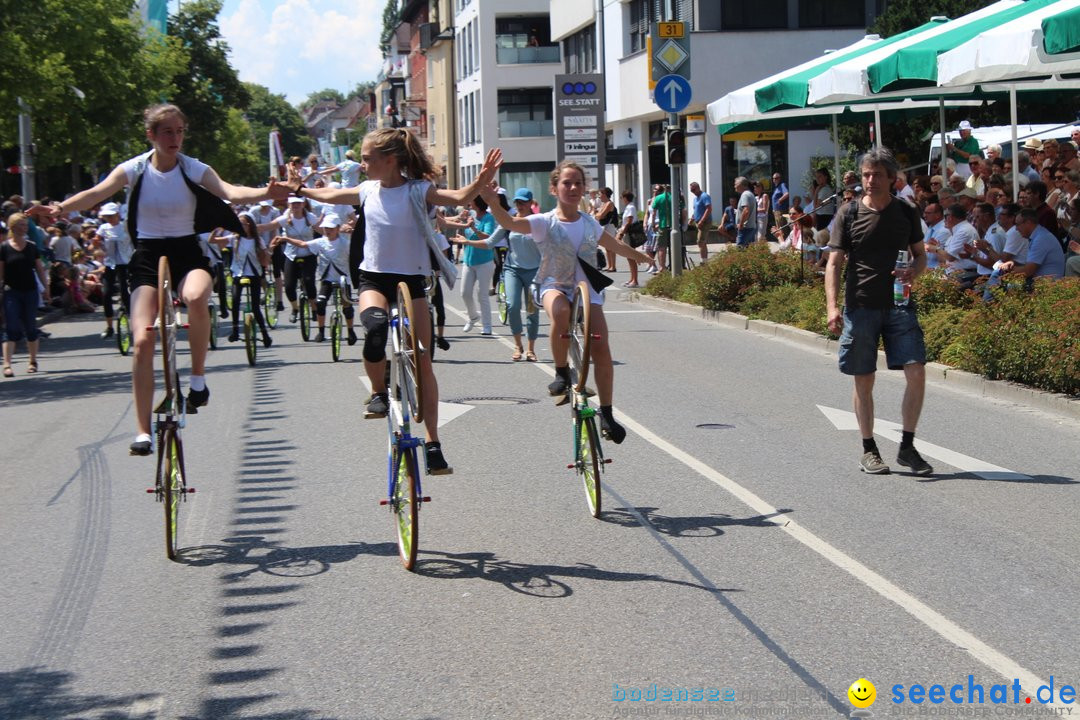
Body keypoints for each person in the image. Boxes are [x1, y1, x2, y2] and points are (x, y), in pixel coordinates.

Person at [31, 103, 279, 455]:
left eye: (179, 131)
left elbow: (230, 191)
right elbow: (97, 194)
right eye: (167, 132)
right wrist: (60, 208)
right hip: (147, 257)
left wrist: (265, 193)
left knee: (195, 298)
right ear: (151, 135)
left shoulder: (193, 168)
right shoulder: (133, 169)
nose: (175, 138)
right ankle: (143, 431)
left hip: (187, 254)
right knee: (142, 341)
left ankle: (197, 380)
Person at [290, 128, 503, 474]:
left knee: (423, 359)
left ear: (390, 160)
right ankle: (377, 392)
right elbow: (330, 194)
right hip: (374, 278)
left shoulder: (418, 191)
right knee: (374, 332)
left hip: (412, 281)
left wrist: (481, 179)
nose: (361, 164)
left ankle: (434, 444)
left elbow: (460, 198)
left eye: (366, 158)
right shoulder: (366, 190)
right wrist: (300, 188)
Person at [478, 159, 652, 444]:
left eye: (578, 184)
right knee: (559, 311)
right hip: (553, 284)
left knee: (602, 346)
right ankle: (561, 372)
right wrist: (493, 203)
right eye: (566, 183)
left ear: (584, 189)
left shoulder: (588, 223)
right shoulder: (544, 222)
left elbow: (614, 245)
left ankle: (607, 413)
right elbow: (509, 223)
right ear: (555, 188)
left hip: (586, 288)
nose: (573, 188)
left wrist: (639, 255)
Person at [825, 147, 934, 477]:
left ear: (892, 179)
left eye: (876, 175)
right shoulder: (849, 213)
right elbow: (834, 262)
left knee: (916, 372)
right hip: (861, 305)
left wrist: (914, 272)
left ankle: (907, 447)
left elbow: (920, 255)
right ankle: (869, 448)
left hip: (900, 303)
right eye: (865, 175)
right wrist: (832, 307)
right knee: (864, 379)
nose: (869, 180)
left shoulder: (905, 211)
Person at [452, 187, 541, 361]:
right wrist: (467, 241)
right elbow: (490, 242)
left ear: (531, 203)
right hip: (513, 269)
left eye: (523, 202)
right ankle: (518, 345)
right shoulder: (509, 221)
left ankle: (531, 349)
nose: (520, 205)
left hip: (534, 271)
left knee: (532, 311)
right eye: (517, 202)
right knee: (512, 305)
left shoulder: (539, 222)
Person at [273, 213, 356, 345]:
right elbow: (303, 244)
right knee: (320, 303)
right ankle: (321, 331)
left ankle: (351, 331)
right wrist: (286, 239)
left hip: (342, 279)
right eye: (325, 228)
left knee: (347, 306)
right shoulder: (320, 242)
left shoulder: (345, 243)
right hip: (326, 279)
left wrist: (354, 233)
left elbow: (357, 253)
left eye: (331, 228)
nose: (327, 231)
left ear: (337, 228)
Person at [1, 213, 52, 377]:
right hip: (11, 291)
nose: (25, 228)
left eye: (25, 225)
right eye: (21, 225)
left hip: (30, 291)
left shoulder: (31, 247)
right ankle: (7, 365)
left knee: (31, 326)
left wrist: (46, 288)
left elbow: (39, 269)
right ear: (13, 227)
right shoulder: (4, 248)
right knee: (11, 327)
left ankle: (32, 361)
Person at [256, 196, 319, 325]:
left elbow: (323, 230)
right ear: (289, 205)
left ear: (303, 205)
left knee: (309, 282)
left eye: (298, 203)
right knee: (289, 286)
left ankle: (314, 309)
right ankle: (295, 309)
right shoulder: (286, 219)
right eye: (293, 204)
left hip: (309, 254)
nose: (295, 206)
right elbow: (268, 226)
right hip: (291, 255)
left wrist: (340, 230)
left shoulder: (310, 217)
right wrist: (247, 227)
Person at [224, 211, 272, 348]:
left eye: (242, 224)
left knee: (256, 307)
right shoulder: (234, 238)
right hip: (238, 273)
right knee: (235, 301)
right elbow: (213, 241)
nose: (240, 226)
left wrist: (268, 253)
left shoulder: (258, 240)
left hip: (254, 274)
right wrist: (218, 229)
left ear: (249, 225)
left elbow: (266, 258)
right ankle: (235, 331)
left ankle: (265, 335)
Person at [458, 196, 497, 335]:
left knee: (482, 294)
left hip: (484, 262)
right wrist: (463, 221)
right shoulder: (470, 215)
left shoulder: (488, 218)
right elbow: (462, 229)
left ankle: (487, 326)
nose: (469, 202)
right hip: (468, 261)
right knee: (465, 293)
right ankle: (473, 317)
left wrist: (473, 228)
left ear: (478, 203)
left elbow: (487, 237)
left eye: (472, 200)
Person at [997, 208, 1066, 280]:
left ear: (1028, 223)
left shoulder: (1041, 239)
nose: (1016, 229)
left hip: (1048, 286)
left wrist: (1008, 269)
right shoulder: (1039, 235)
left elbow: (1028, 271)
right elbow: (1030, 267)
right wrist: (1012, 264)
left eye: (1017, 225)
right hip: (1041, 283)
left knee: (998, 276)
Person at [97, 202, 133, 339]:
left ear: (118, 215)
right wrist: (96, 244)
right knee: (106, 293)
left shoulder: (125, 227)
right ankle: (109, 326)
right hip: (110, 264)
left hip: (125, 263)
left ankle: (132, 322)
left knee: (125, 291)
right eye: (107, 217)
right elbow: (94, 244)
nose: (109, 219)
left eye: (111, 216)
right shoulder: (103, 228)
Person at [613, 190, 641, 287]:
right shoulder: (629, 207)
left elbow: (629, 221)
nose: (621, 200)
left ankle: (635, 280)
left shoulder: (630, 207)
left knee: (631, 256)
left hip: (629, 234)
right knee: (629, 257)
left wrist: (622, 233)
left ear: (625, 198)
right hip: (627, 233)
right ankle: (632, 279)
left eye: (621, 198)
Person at [592, 187, 619, 270]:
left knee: (611, 246)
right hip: (605, 226)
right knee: (607, 247)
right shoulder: (604, 204)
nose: (599, 196)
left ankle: (613, 266)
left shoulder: (609, 204)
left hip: (609, 226)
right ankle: (610, 265)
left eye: (600, 194)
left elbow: (600, 216)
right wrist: (597, 214)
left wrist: (597, 214)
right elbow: (597, 214)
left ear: (604, 194)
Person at [687, 181, 712, 262]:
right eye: (691, 190)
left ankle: (703, 261)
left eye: (694, 190)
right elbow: (696, 210)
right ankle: (704, 260)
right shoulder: (695, 199)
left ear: (698, 188)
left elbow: (709, 209)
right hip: (698, 222)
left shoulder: (704, 196)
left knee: (700, 241)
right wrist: (692, 218)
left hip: (705, 222)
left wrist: (702, 220)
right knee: (702, 242)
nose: (693, 192)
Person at [650, 184, 672, 271]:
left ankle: (662, 267)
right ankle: (675, 264)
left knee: (661, 247)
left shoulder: (659, 198)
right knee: (674, 245)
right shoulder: (675, 197)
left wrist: (652, 224)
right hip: (674, 225)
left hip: (662, 224)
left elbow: (653, 213)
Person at [733, 177, 756, 247]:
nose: (734, 186)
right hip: (750, 227)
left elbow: (746, 210)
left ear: (741, 184)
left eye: (735, 184)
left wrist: (741, 224)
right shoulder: (750, 194)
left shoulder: (745, 195)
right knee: (748, 251)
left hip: (745, 228)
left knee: (740, 250)